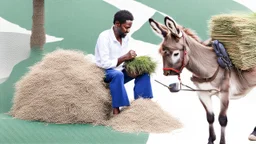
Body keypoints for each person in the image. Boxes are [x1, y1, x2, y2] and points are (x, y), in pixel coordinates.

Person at [94, 10, 153, 115]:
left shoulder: (125, 37)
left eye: (130, 27)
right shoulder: (104, 37)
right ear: (117, 24)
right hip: (105, 72)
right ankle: (117, 110)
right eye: (126, 27)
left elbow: (123, 60)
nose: (128, 30)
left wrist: (131, 59)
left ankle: (143, 104)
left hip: (120, 70)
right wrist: (124, 57)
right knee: (118, 74)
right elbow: (104, 63)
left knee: (143, 71)